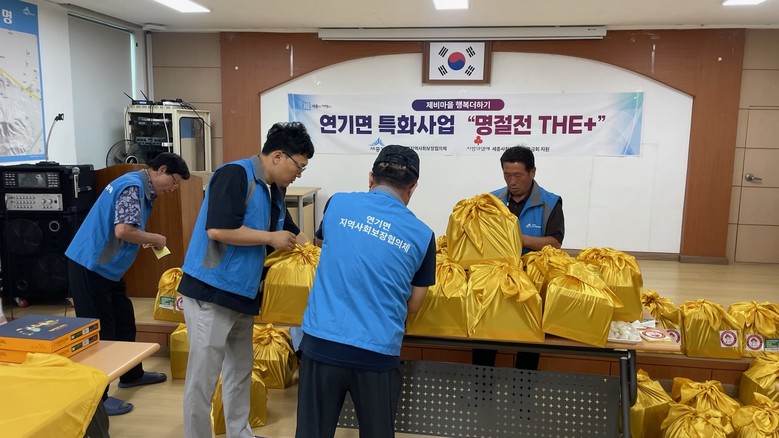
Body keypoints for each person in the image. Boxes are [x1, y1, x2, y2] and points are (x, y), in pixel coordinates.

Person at [179, 121, 314, 438]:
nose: (299, 174)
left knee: (240, 369)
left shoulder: (274, 189)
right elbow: (218, 230)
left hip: (243, 294)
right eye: (299, 166)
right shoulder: (234, 175)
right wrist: (270, 238)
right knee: (203, 378)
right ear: (278, 156)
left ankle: (239, 432)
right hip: (211, 291)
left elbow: (291, 231)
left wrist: (316, 256)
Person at [295, 145, 437, 438]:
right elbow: (414, 304)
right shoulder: (423, 235)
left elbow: (323, 246)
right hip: (377, 353)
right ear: (413, 187)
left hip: (322, 344)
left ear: (371, 178)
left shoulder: (337, 204)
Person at [66, 152, 190, 416]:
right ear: (162, 170)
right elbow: (123, 230)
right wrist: (154, 238)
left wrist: (141, 238)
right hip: (90, 267)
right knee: (101, 333)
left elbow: (125, 230)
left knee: (125, 322)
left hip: (107, 271)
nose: (173, 189)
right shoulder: (133, 187)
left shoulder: (137, 185)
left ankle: (131, 374)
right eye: (174, 182)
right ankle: (97, 400)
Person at [472, 145, 565, 370]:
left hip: (531, 282)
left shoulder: (550, 203)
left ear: (532, 172)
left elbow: (555, 242)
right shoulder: (491, 201)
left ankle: (524, 386)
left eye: (518, 175)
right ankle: (481, 384)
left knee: (529, 341)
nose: (512, 181)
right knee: (485, 336)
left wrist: (517, 238)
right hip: (493, 280)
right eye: (507, 175)